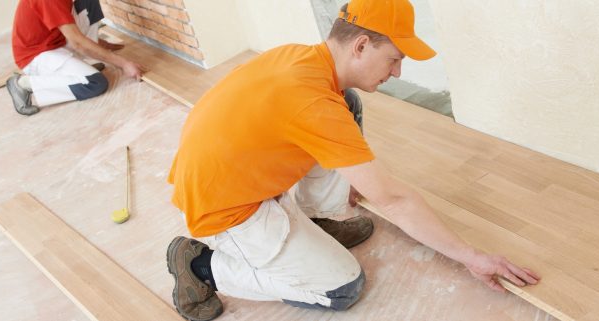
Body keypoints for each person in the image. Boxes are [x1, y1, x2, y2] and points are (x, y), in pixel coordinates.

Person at [165, 0, 541, 320]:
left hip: (227, 175)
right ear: (361, 45)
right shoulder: (312, 102)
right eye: (394, 59)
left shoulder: (302, 59)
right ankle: (200, 266)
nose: (397, 72)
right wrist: (471, 257)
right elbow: (393, 199)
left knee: (348, 103)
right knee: (343, 288)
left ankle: (319, 219)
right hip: (227, 212)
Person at [6, 0, 145, 116]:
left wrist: (97, 44)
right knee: (95, 83)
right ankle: (23, 84)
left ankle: (83, 63)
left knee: (88, 2)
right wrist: (123, 63)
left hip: (56, 41)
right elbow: (77, 43)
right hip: (36, 55)